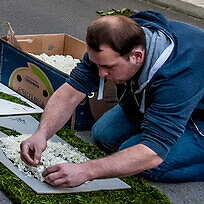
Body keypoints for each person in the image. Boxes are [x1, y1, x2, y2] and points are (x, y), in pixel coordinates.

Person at [20, 13, 204, 185]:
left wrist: (86, 171)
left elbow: (153, 151)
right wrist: (41, 134)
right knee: (104, 135)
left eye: (108, 67)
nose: (101, 73)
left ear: (137, 56)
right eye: (97, 65)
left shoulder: (180, 74)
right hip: (168, 100)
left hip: (198, 114)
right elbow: (70, 92)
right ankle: (167, 121)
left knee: (152, 165)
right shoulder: (117, 39)